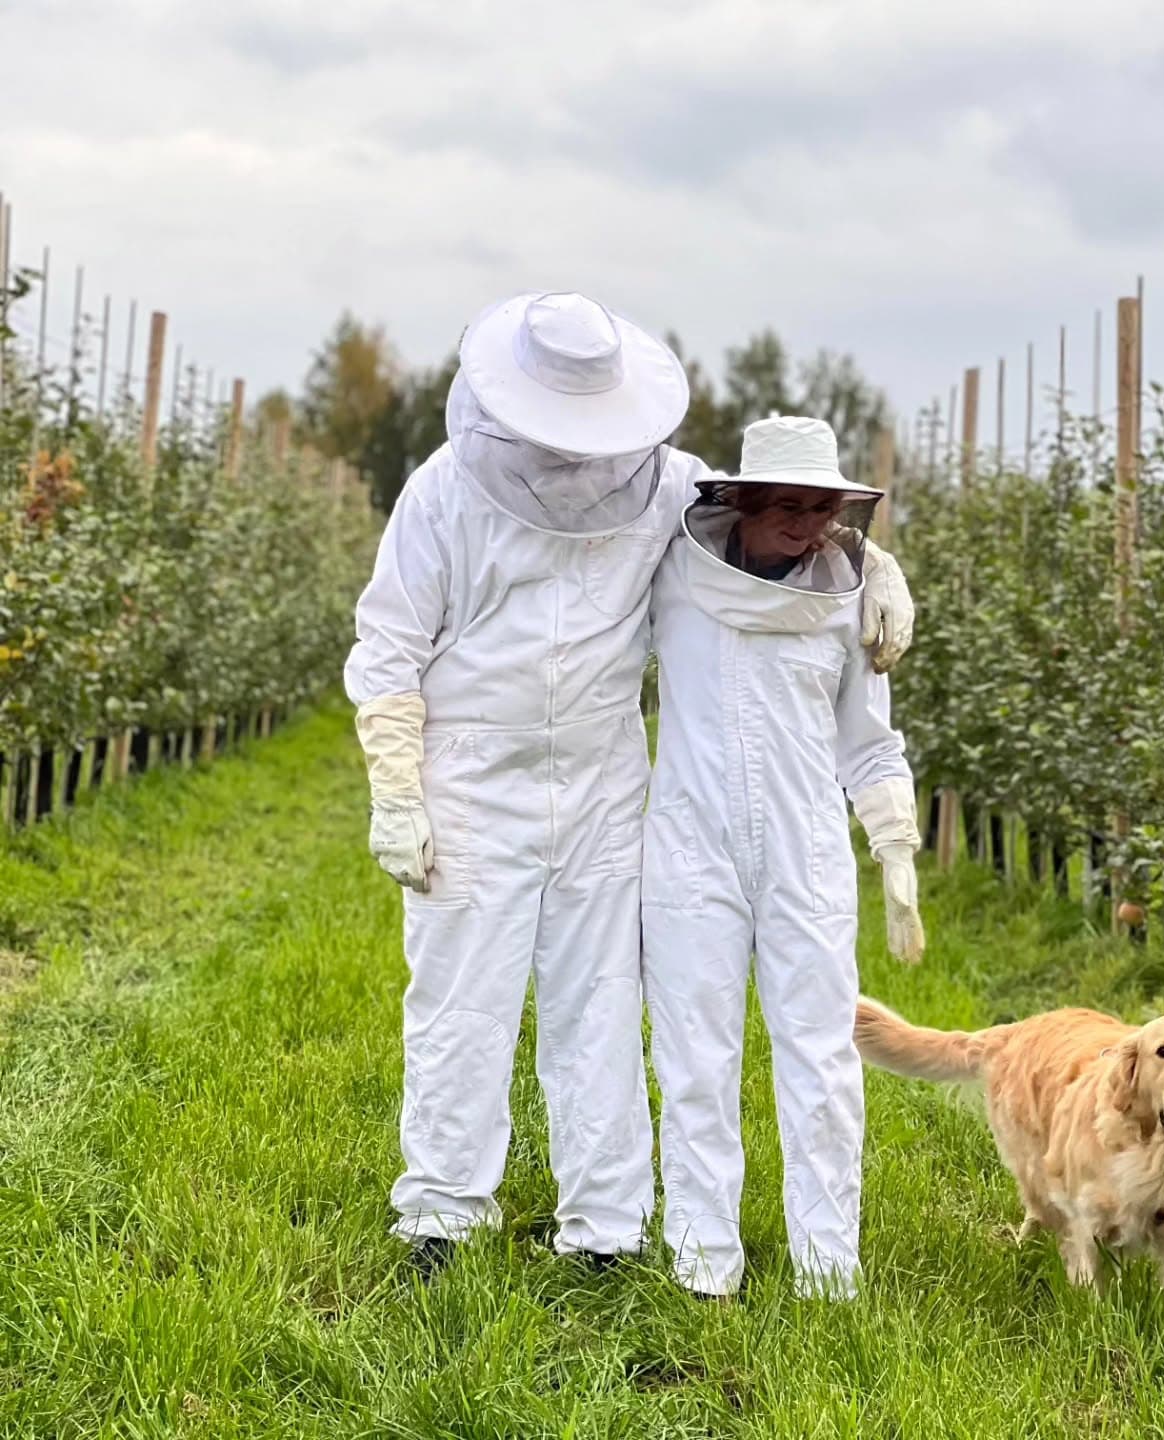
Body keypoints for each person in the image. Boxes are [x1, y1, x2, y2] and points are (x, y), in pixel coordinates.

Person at [343, 294, 916, 1276]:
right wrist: (396, 785)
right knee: (461, 1003)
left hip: (605, 773)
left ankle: (604, 1228)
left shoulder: (660, 481)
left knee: (599, 1003)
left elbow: (778, 525)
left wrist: (877, 567)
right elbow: (390, 643)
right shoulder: (445, 490)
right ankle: (441, 1217)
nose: (571, 457)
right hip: (473, 773)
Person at [642, 414, 925, 1301]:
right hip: (691, 844)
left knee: (821, 1059)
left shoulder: (846, 599)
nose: (813, 529)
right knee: (695, 1054)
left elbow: (869, 743)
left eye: (827, 511)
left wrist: (896, 846)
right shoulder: (675, 579)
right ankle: (702, 1263)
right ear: (743, 501)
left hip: (807, 851)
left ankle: (829, 1271)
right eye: (792, 509)